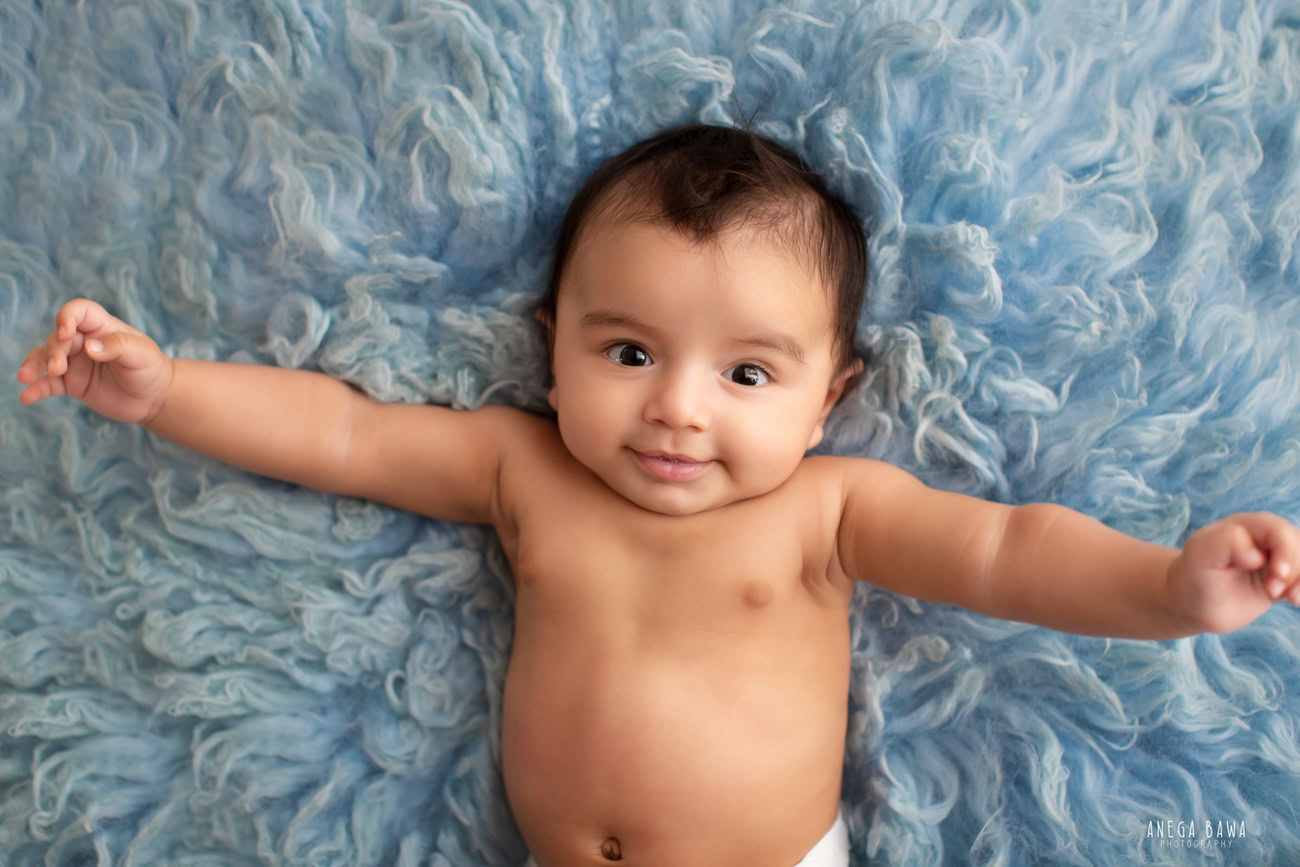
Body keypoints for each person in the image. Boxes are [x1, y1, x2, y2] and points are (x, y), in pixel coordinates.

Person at [16, 123, 1300, 867]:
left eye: (747, 371)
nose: (678, 407)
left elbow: (1013, 552)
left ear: (829, 395)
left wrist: (1168, 585)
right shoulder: (527, 470)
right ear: (552, 337)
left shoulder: (828, 510)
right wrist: (167, 389)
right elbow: (345, 434)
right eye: (628, 352)